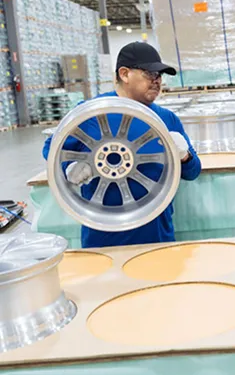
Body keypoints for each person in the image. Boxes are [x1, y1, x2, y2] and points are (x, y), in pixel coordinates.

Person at [43, 41, 201, 248]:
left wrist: (185, 156)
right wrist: (68, 167)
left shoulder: (166, 119)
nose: (157, 81)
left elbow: (193, 172)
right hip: (104, 235)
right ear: (125, 74)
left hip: (157, 233)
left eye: (160, 76)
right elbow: (51, 148)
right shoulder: (91, 113)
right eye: (150, 74)